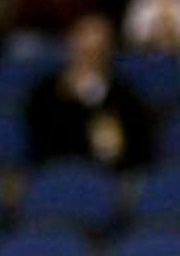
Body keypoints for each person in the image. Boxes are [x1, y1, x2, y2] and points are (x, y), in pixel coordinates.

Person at [24, 13, 153, 170]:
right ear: (70, 46)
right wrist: (68, 99)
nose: (89, 59)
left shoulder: (125, 96)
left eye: (97, 52)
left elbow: (138, 150)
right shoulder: (46, 92)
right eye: (84, 52)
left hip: (111, 181)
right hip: (58, 179)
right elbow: (39, 144)